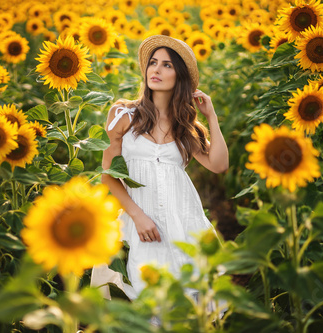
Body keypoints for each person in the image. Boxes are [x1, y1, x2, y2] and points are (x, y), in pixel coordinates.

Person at [93, 35, 229, 300]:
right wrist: (138, 216)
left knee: (186, 300)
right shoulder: (123, 115)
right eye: (153, 63)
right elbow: (108, 176)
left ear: (179, 76)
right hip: (139, 221)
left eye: (167, 65)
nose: (156, 69)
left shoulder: (185, 127)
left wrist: (211, 116)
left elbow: (219, 165)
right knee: (139, 295)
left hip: (182, 221)